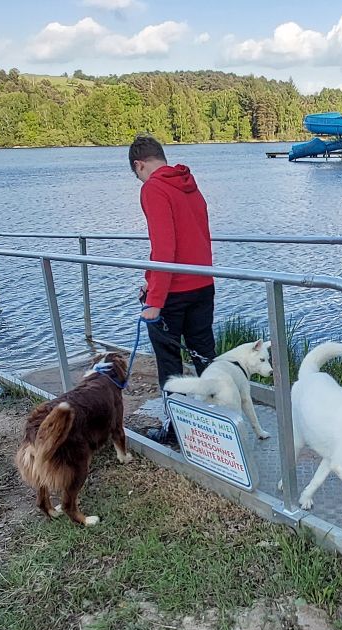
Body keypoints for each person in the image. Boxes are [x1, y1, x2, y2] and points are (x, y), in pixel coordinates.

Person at [129, 134, 217, 446]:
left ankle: (177, 431)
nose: (139, 178)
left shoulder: (153, 188)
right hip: (203, 283)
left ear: (139, 165)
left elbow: (164, 248)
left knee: (170, 363)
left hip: (175, 292)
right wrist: (152, 279)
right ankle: (218, 424)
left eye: (136, 173)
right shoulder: (189, 182)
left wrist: (154, 299)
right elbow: (196, 237)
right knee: (206, 357)